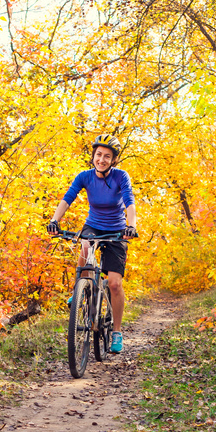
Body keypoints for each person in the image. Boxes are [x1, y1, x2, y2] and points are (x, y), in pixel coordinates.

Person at [47, 134, 137, 353]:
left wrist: (131, 226)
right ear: (93, 156)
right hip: (93, 226)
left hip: (117, 230)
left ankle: (116, 332)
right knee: (85, 246)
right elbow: (68, 198)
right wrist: (54, 221)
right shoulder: (84, 177)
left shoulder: (120, 176)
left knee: (114, 283)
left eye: (107, 156)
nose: (101, 159)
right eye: (99, 154)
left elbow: (129, 202)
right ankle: (81, 290)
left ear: (113, 160)